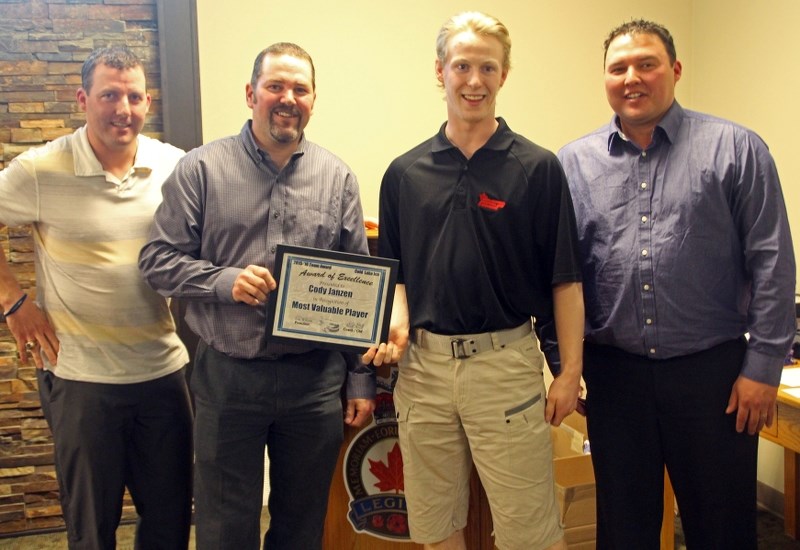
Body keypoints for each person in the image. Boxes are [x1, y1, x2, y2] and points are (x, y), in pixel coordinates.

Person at [558, 19, 796, 549]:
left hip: (714, 380)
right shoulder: (573, 164)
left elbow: (773, 263)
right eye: (618, 67)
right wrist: (565, 364)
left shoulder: (737, 149)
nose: (632, 77)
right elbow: (560, 273)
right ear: (604, 78)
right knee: (624, 530)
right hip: (615, 381)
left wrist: (763, 369)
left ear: (675, 70)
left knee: (723, 528)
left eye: (647, 63)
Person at [138, 42, 376, 550]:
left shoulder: (338, 179)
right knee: (226, 527)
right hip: (228, 377)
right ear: (251, 94)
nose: (287, 98)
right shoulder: (201, 169)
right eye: (275, 86)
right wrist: (224, 282)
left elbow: (357, 288)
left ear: (313, 100)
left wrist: (360, 378)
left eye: (300, 88)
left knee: (301, 524)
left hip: (314, 382)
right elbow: (157, 261)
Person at [366, 11, 584, 550]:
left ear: (504, 75)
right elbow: (395, 275)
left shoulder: (537, 168)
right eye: (462, 65)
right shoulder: (404, 174)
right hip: (424, 371)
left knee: (528, 532)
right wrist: (396, 324)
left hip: (504, 368)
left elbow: (565, 281)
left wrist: (568, 372)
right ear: (440, 72)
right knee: (436, 527)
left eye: (487, 67)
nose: (474, 80)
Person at [0, 46, 193, 549]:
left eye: (133, 96)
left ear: (147, 101)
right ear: (82, 98)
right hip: (81, 379)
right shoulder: (42, 169)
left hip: (163, 374)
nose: (122, 109)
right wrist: (13, 300)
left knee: (170, 524)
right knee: (92, 530)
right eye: (109, 95)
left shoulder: (176, 167)